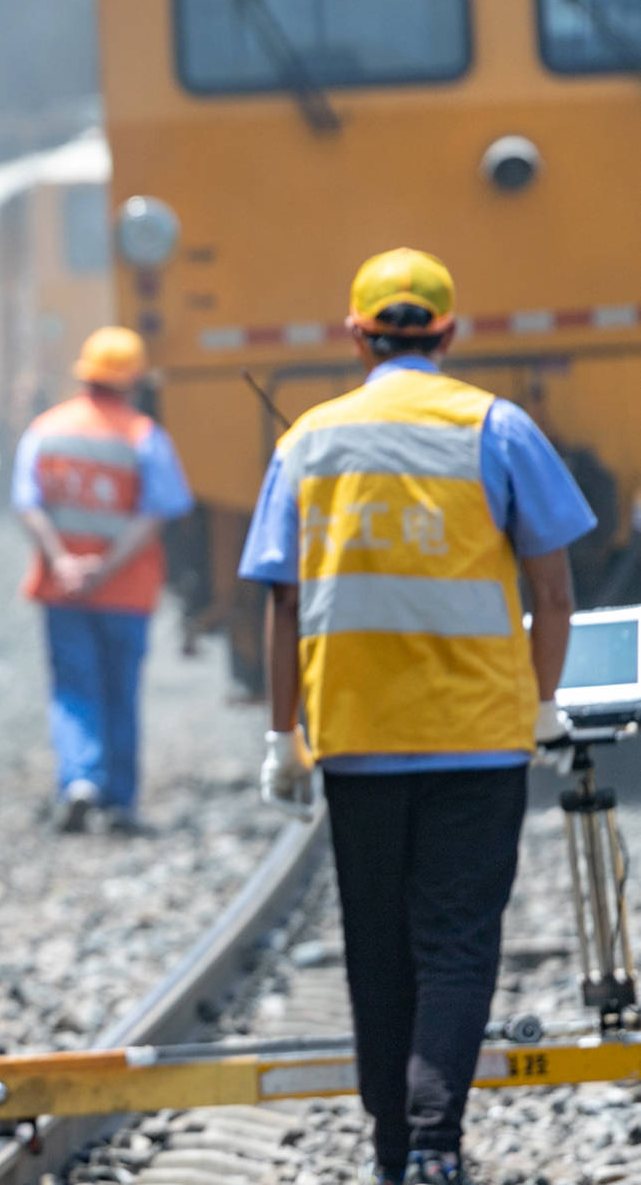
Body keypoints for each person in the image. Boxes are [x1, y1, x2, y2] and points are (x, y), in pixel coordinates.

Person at [244, 248, 595, 1185]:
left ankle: (394, 1149)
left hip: (356, 740)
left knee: (378, 945)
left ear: (355, 333)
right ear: (448, 332)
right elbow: (553, 589)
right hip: (480, 736)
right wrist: (547, 705)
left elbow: (282, 603)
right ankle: (437, 1145)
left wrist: (284, 734)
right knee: (457, 941)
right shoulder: (499, 427)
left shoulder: (307, 440)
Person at [12, 325, 195, 834]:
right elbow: (158, 511)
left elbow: (28, 503)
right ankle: (118, 801)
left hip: (62, 591)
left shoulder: (46, 430)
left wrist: (64, 561)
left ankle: (78, 781)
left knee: (73, 688)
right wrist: (105, 567)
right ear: (135, 381)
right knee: (120, 691)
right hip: (124, 593)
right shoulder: (144, 436)